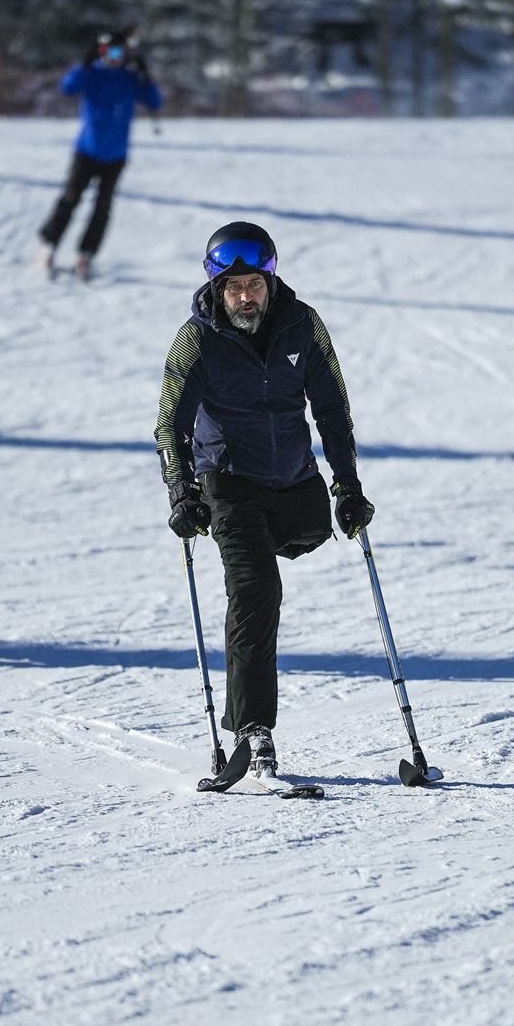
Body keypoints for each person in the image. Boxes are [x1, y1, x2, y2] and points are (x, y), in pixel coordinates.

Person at [154, 222, 375, 777]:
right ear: (216, 288)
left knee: (311, 531)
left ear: (271, 280)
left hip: (294, 482)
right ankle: (254, 732)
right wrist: (182, 490)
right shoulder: (196, 340)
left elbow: (332, 408)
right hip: (228, 483)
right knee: (256, 591)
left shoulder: (303, 325)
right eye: (234, 287)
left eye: (255, 283)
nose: (246, 296)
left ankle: (266, 544)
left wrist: (347, 486)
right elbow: (170, 426)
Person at [38, 30, 162, 279]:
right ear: (100, 52)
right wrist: (83, 65)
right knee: (70, 198)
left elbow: (154, 102)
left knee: (102, 206)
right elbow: (67, 87)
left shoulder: (129, 79)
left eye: (119, 52)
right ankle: (49, 245)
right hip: (86, 151)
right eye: (107, 52)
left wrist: (146, 77)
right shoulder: (91, 74)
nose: (113, 58)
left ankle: (86, 254)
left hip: (115, 155)